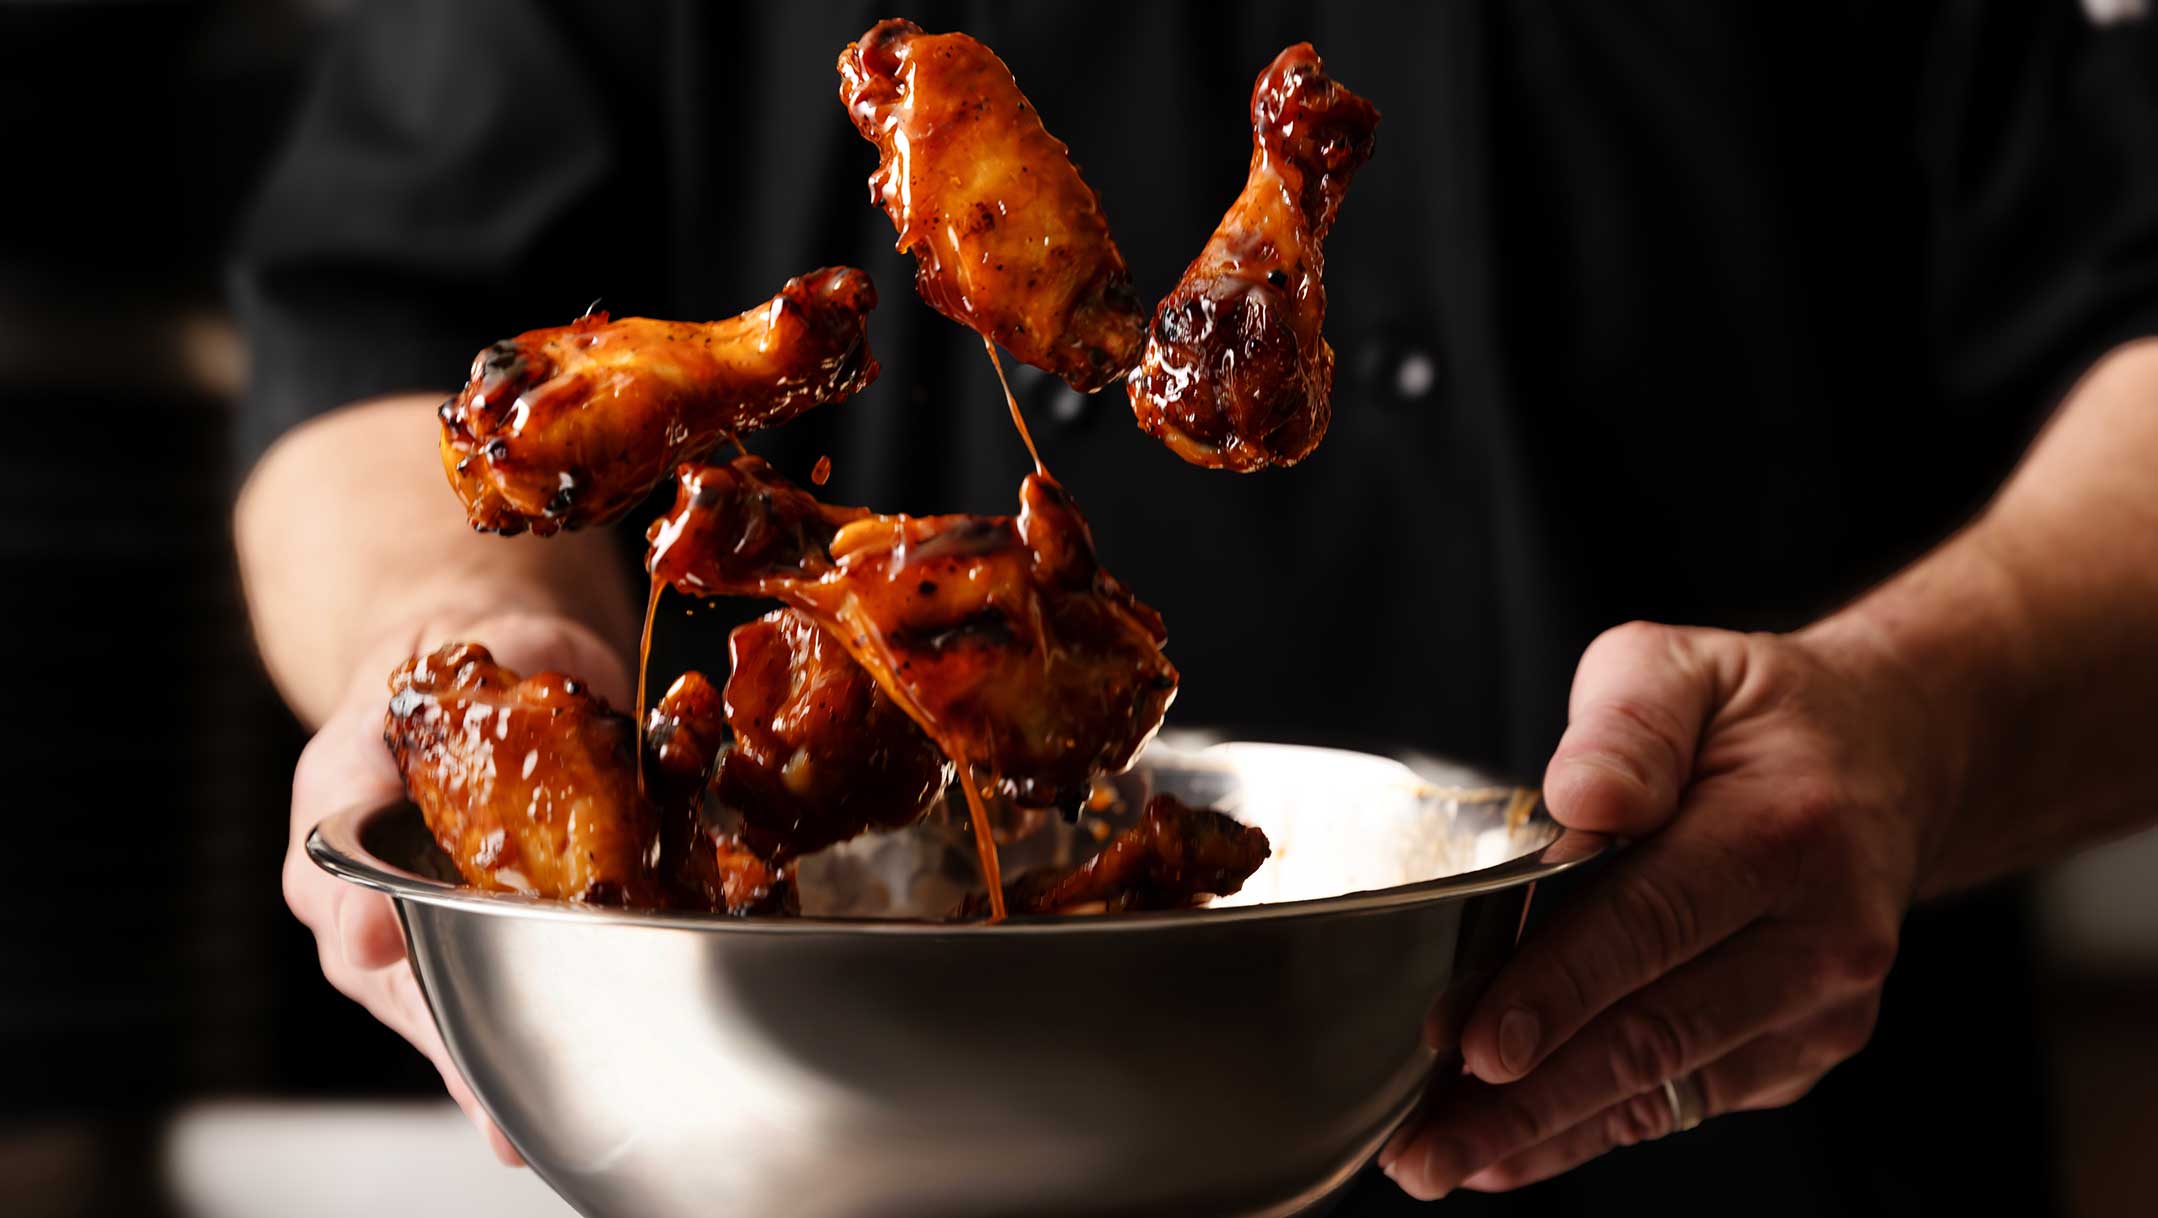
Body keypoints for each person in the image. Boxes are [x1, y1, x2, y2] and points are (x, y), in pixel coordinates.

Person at [232, 2, 2158, 1213]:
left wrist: (1922, 714)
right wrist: (473, 671)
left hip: (1727, 1139)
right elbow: (379, 367)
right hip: (809, 1148)